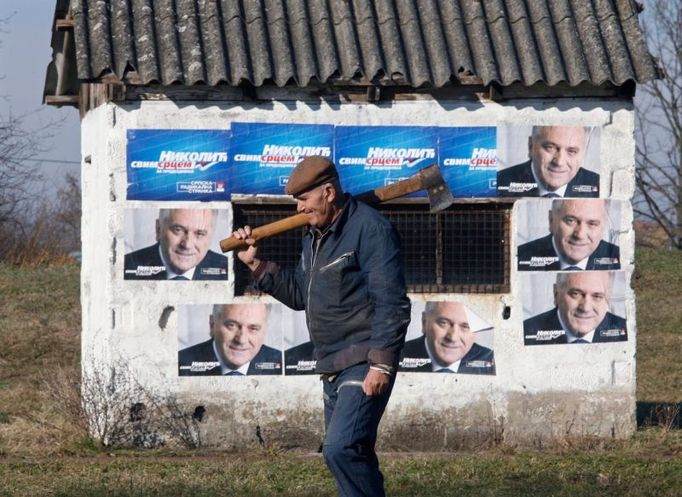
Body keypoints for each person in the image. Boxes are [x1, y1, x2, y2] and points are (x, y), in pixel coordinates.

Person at [232, 156, 411, 497]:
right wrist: (255, 263)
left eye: (304, 199)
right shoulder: (314, 236)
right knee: (354, 454)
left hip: (363, 359)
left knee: (339, 449)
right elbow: (301, 294)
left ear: (328, 192)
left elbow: (392, 301)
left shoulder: (371, 230)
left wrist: (382, 364)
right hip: (331, 363)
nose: (299, 208)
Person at [524, 272, 627, 345]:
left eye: (597, 296)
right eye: (576, 294)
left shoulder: (624, 331)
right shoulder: (527, 332)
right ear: (556, 294)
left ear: (608, 298)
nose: (586, 308)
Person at [178, 303, 282, 375]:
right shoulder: (180, 362)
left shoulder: (281, 362)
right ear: (212, 324)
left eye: (253, 328)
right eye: (231, 325)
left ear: (265, 330)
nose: (241, 340)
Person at [124, 208, 227, 280]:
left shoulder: (227, 270)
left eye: (199, 234)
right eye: (178, 230)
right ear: (158, 229)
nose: (187, 245)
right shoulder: (126, 267)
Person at [517, 199, 620, 271]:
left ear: (603, 226)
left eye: (592, 224)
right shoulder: (519, 258)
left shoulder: (619, 258)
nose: (580, 235)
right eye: (571, 221)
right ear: (551, 220)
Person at [497, 126, 599, 197]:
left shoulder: (597, 185)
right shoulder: (498, 183)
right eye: (550, 147)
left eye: (571, 151)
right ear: (531, 145)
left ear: (583, 154)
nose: (559, 162)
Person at [400, 302, 495, 375]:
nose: (453, 338)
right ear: (424, 322)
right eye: (443, 323)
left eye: (465, 327)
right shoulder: (397, 357)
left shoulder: (490, 361)